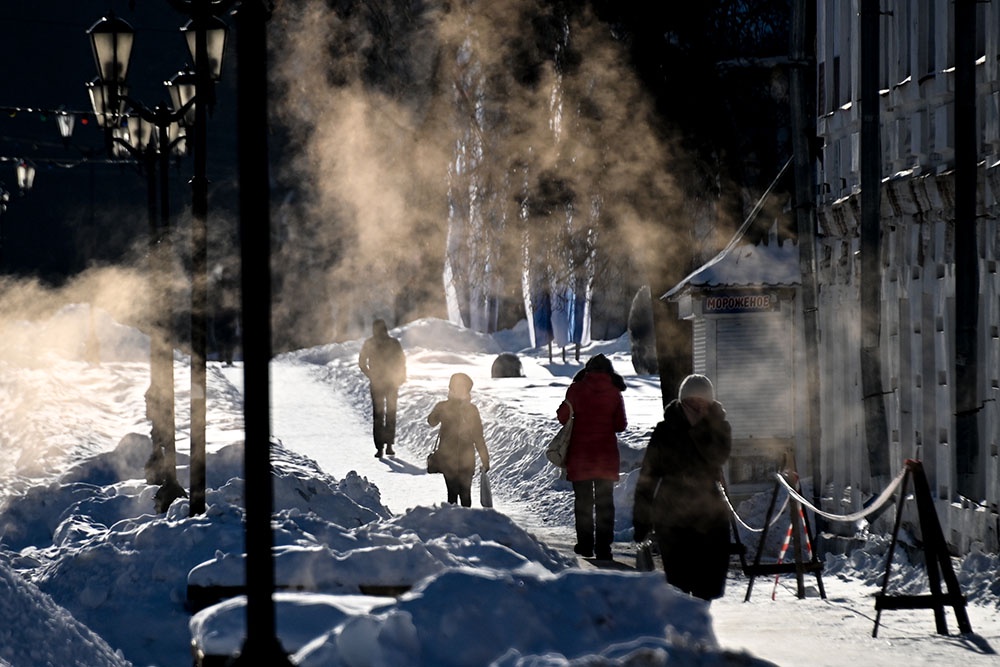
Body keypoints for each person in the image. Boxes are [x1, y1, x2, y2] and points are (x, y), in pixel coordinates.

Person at [632, 373, 732, 601]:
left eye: (702, 403)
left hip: (709, 516)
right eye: (691, 402)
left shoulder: (720, 429)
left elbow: (717, 456)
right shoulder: (664, 431)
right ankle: (681, 630)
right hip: (671, 515)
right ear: (681, 402)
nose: (697, 407)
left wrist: (698, 429)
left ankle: (699, 627)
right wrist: (641, 520)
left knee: (707, 584)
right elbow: (648, 477)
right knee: (678, 583)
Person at [556, 354, 627, 560]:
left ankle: (586, 545)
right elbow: (620, 425)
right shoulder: (614, 392)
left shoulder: (576, 389)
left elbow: (562, 417)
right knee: (605, 504)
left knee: (583, 503)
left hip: (581, 457)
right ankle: (604, 548)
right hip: (605, 458)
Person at [426, 373, 490, 507]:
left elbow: (478, 436)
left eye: (464, 388)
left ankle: (464, 524)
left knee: (465, 494)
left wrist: (485, 459)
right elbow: (431, 421)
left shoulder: (471, 410)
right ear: (452, 389)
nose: (461, 390)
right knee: (453, 493)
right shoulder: (444, 406)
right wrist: (438, 410)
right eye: (458, 387)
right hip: (448, 458)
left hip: (467, 459)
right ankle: (455, 525)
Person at [358, 319, 406, 457]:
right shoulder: (394, 343)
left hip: (377, 382)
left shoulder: (370, 343)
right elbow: (401, 361)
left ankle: (379, 448)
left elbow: (362, 362)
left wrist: (370, 374)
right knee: (390, 413)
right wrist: (401, 376)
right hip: (391, 382)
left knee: (378, 415)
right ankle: (389, 446)